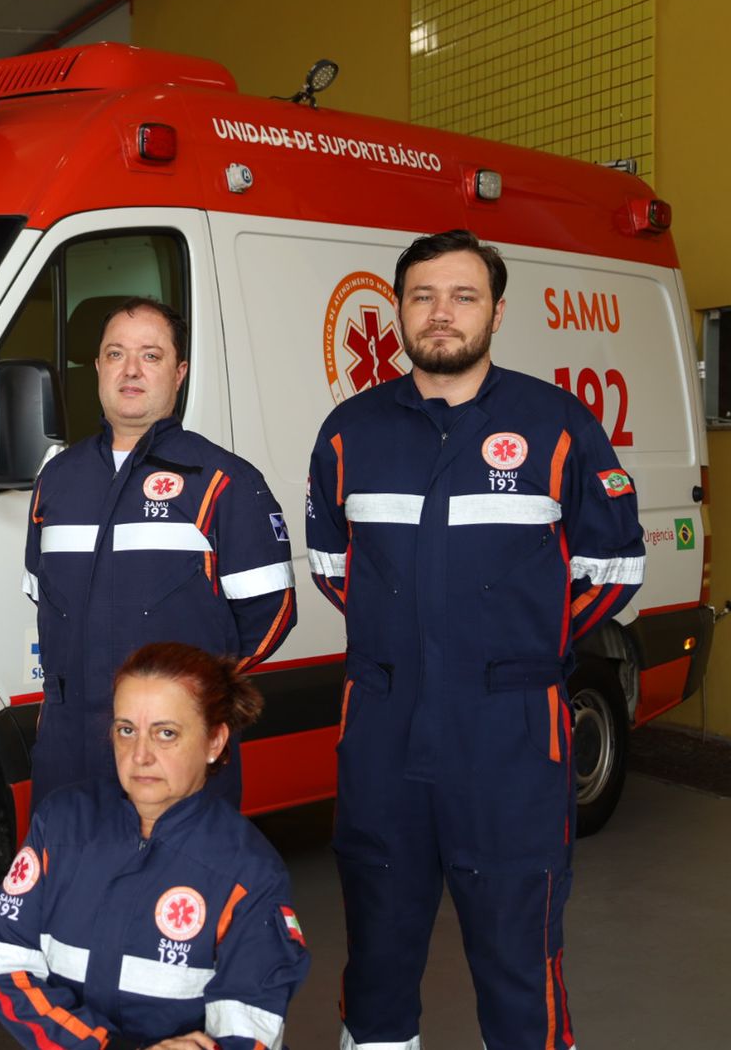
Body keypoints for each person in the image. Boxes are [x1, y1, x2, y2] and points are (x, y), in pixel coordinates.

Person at [305, 230, 646, 1049]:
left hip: (512, 738)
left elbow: (615, 564)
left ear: (497, 309)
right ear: (396, 311)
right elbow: (331, 565)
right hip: (384, 730)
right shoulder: (350, 432)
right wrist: (411, 639)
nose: (441, 314)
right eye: (422, 296)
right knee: (379, 955)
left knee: (518, 957)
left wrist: (513, 645)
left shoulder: (556, 425)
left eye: (462, 296)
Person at [23, 297, 296, 810]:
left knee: (178, 886)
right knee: (71, 885)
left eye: (150, 355)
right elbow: (47, 605)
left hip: (176, 750)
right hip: (67, 754)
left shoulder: (222, 481)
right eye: (115, 354)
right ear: (98, 368)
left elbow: (271, 615)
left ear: (179, 371)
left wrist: (190, 700)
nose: (130, 370)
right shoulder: (57, 482)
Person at [0, 642, 309, 1050]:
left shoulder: (249, 872)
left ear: (214, 741)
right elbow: (9, 969)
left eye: (166, 734)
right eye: (126, 730)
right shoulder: (60, 825)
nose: (140, 755)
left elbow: (251, 1027)